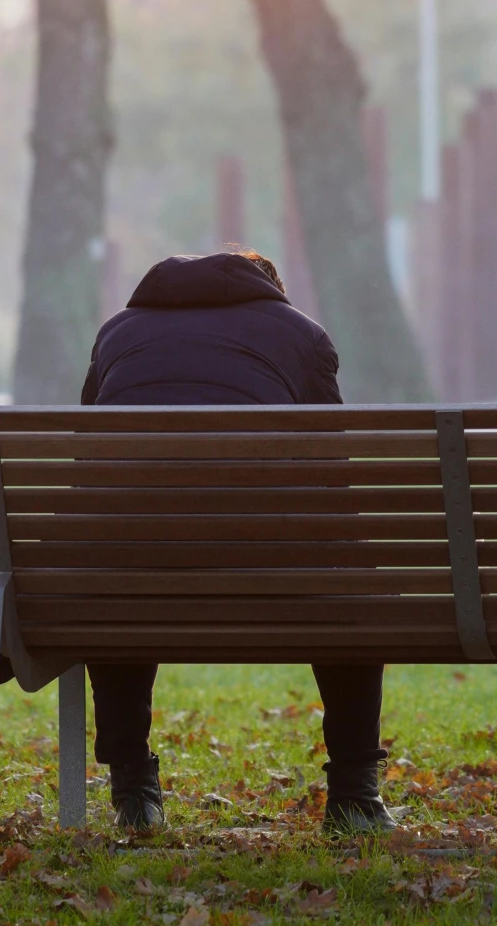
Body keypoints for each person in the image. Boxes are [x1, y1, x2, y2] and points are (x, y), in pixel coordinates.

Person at [79, 247, 394, 839]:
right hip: (267, 568)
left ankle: (134, 790)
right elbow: (333, 468)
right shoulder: (301, 334)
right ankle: (354, 796)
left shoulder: (116, 333)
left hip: (132, 573)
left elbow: (94, 463)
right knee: (346, 577)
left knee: (119, 552)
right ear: (266, 289)